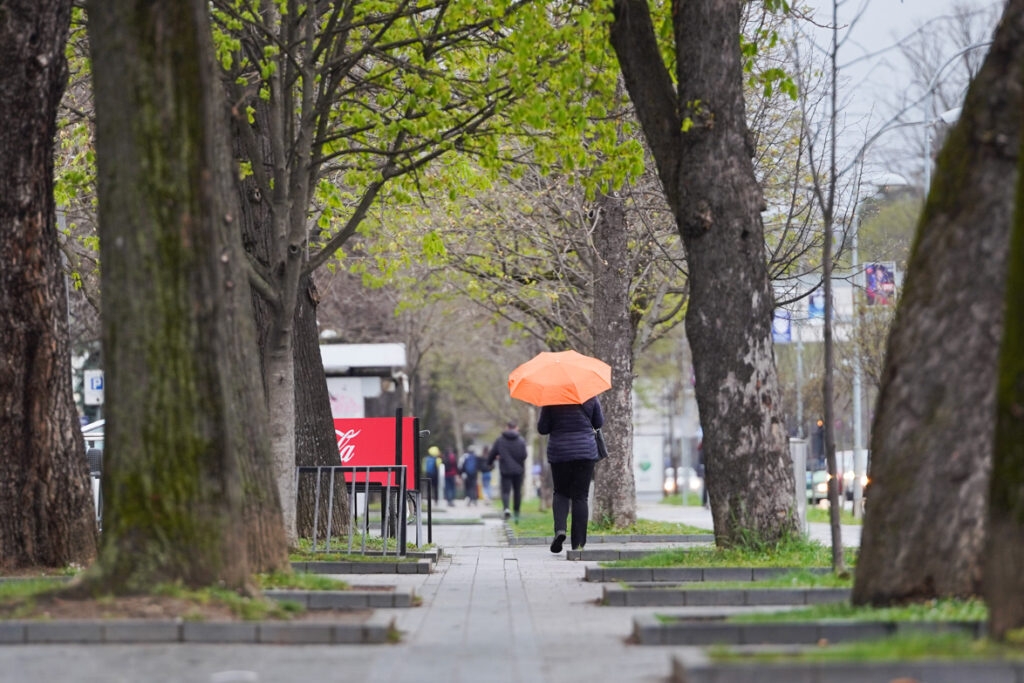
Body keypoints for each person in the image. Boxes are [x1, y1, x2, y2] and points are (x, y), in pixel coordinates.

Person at [537, 396, 604, 553]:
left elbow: (542, 429)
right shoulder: (590, 395)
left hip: (560, 453)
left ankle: (560, 530)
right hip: (585, 452)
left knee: (560, 493)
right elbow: (599, 423)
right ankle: (578, 544)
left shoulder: (552, 398)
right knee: (580, 497)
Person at [488, 420, 528, 523]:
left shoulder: (500, 440)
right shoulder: (521, 440)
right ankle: (516, 513)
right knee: (517, 492)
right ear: (516, 428)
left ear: (507, 427)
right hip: (518, 470)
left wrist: (489, 462)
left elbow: (492, 453)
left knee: (505, 491)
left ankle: (506, 508)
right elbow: (524, 455)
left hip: (505, 469)